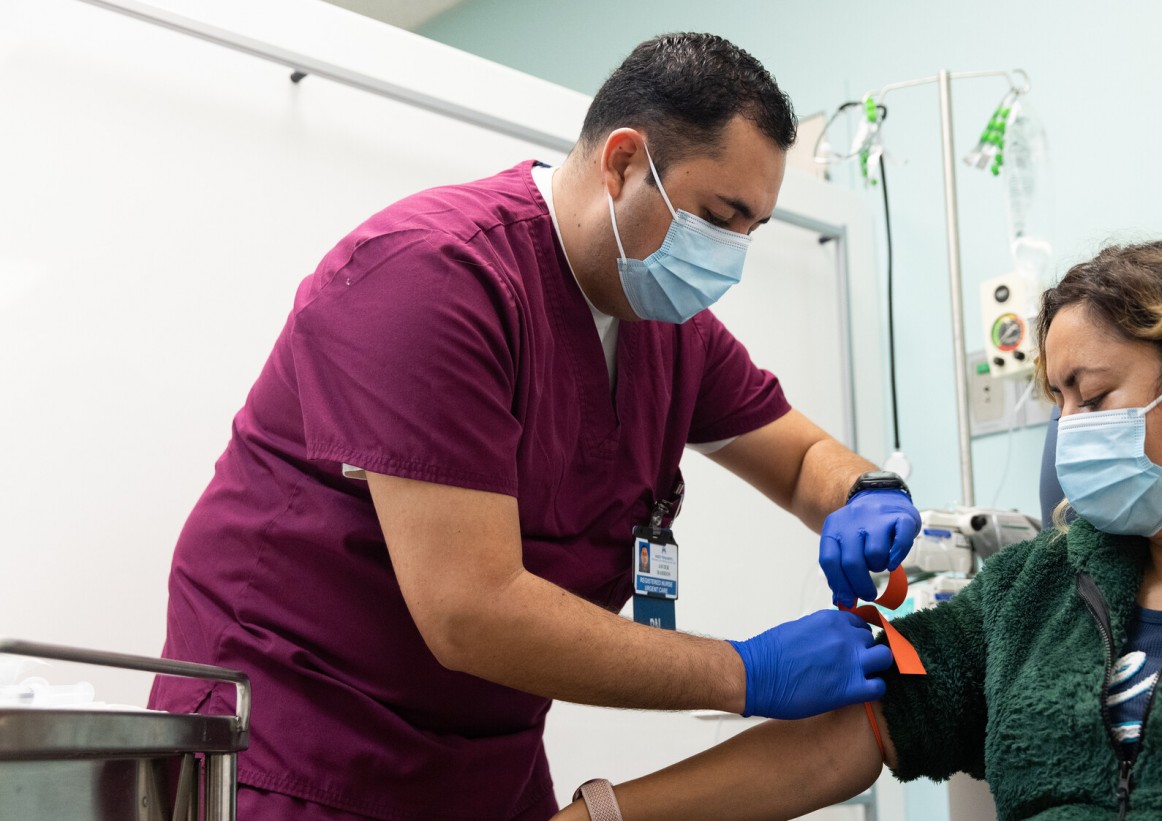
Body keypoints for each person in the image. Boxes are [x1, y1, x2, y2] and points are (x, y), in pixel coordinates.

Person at [150, 33, 921, 821]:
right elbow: (470, 609)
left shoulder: (664, 324)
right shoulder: (431, 279)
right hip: (298, 754)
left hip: (482, 763)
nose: (729, 259)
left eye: (751, 231)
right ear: (623, 162)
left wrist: (865, 492)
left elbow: (800, 462)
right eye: (720, 219)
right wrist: (745, 671)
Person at [551, 235, 1162, 820]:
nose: (1068, 429)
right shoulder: (1039, 592)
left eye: (1094, 395)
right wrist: (606, 814)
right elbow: (842, 739)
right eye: (1057, 397)